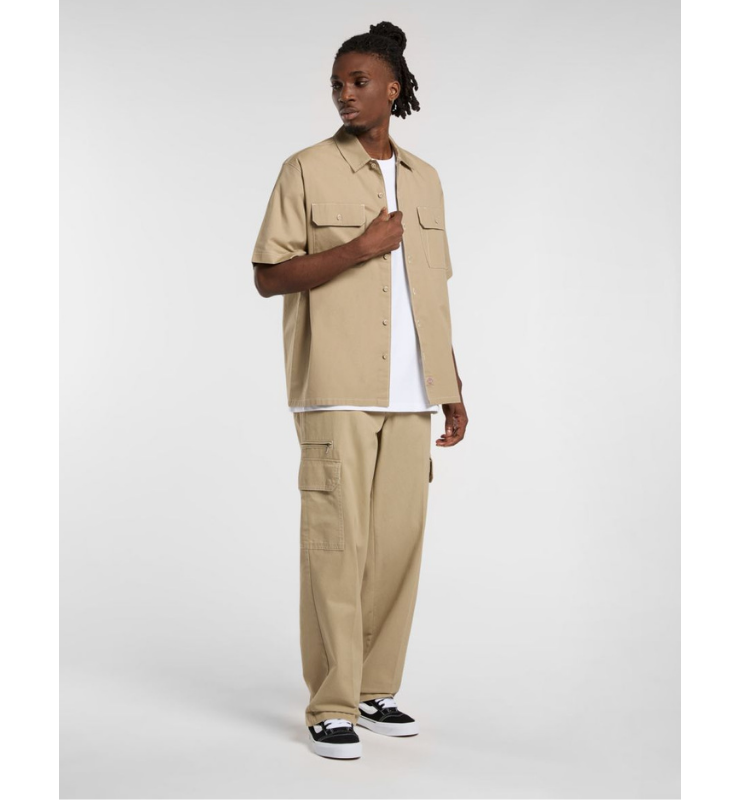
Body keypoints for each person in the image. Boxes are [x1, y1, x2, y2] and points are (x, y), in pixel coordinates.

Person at [251, 20, 468, 760]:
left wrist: (451, 384)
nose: (345, 94)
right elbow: (268, 276)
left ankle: (375, 687)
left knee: (398, 548)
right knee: (336, 546)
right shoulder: (305, 169)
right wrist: (359, 248)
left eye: (359, 81)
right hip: (336, 389)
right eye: (338, 84)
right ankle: (331, 703)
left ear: (393, 88)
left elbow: (432, 292)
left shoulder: (426, 179)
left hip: (412, 393)